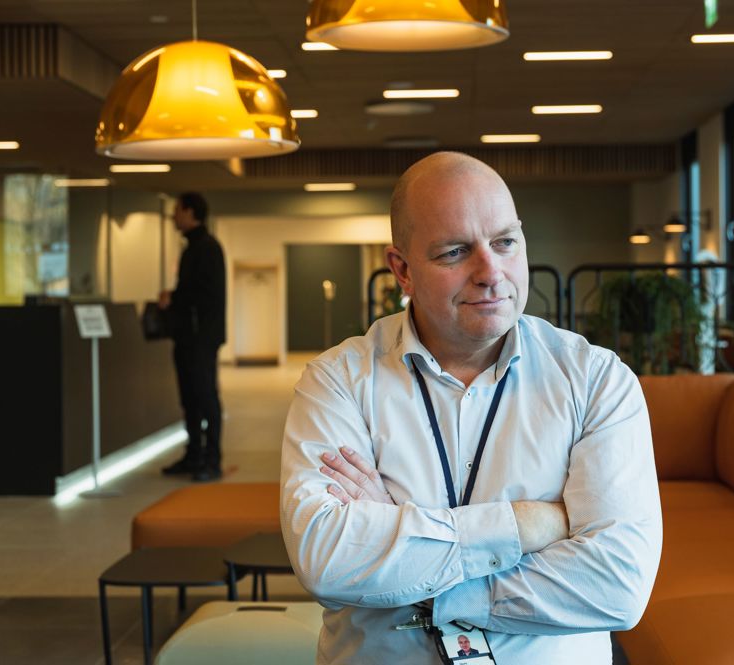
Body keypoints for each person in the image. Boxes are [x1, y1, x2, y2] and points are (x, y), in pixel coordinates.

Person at [280, 152, 662, 664]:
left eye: (505, 242)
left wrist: (412, 558)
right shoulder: (339, 381)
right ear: (403, 270)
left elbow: (618, 584)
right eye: (455, 252)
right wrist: (526, 526)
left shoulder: (596, 379)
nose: (491, 271)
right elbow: (327, 559)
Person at [159, 192, 227, 482]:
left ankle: (211, 460)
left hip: (201, 338)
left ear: (190, 212)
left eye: (177, 210)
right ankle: (194, 455)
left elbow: (203, 295)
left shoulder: (206, 248)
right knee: (189, 398)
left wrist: (172, 298)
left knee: (205, 397)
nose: (173, 216)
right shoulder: (194, 247)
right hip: (189, 337)